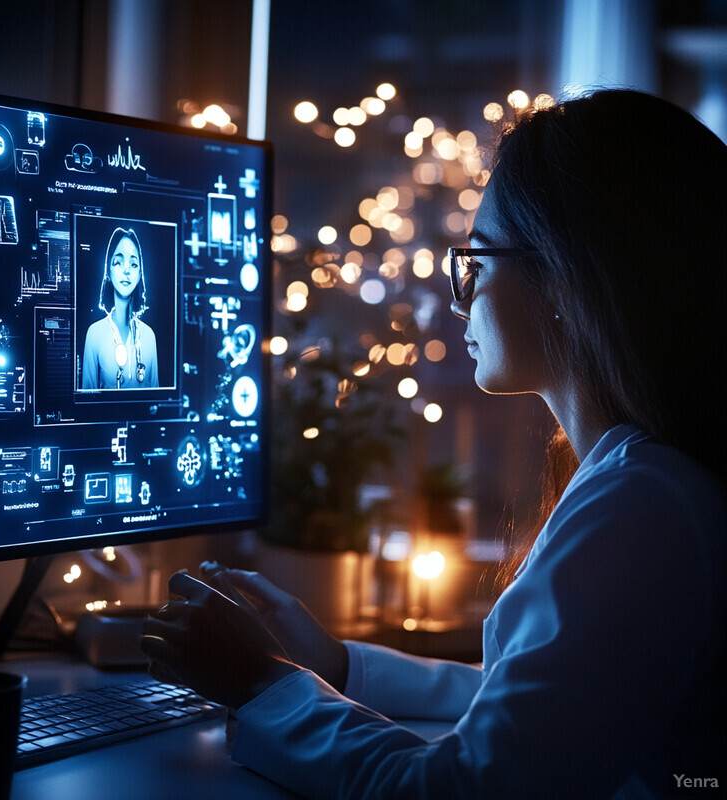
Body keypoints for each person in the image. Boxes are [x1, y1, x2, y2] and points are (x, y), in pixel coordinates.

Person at [141, 89, 726, 799]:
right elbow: (534, 710)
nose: (460, 298)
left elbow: (465, 788)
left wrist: (262, 685)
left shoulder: (643, 506)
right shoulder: (649, 482)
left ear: (566, 279)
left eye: (476, 261)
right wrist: (334, 663)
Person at [81, 226, 158, 389]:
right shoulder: (94, 333)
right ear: (108, 271)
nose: (126, 270)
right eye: (118, 262)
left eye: (134, 264)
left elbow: (155, 401)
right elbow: (86, 401)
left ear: (139, 275)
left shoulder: (149, 336)